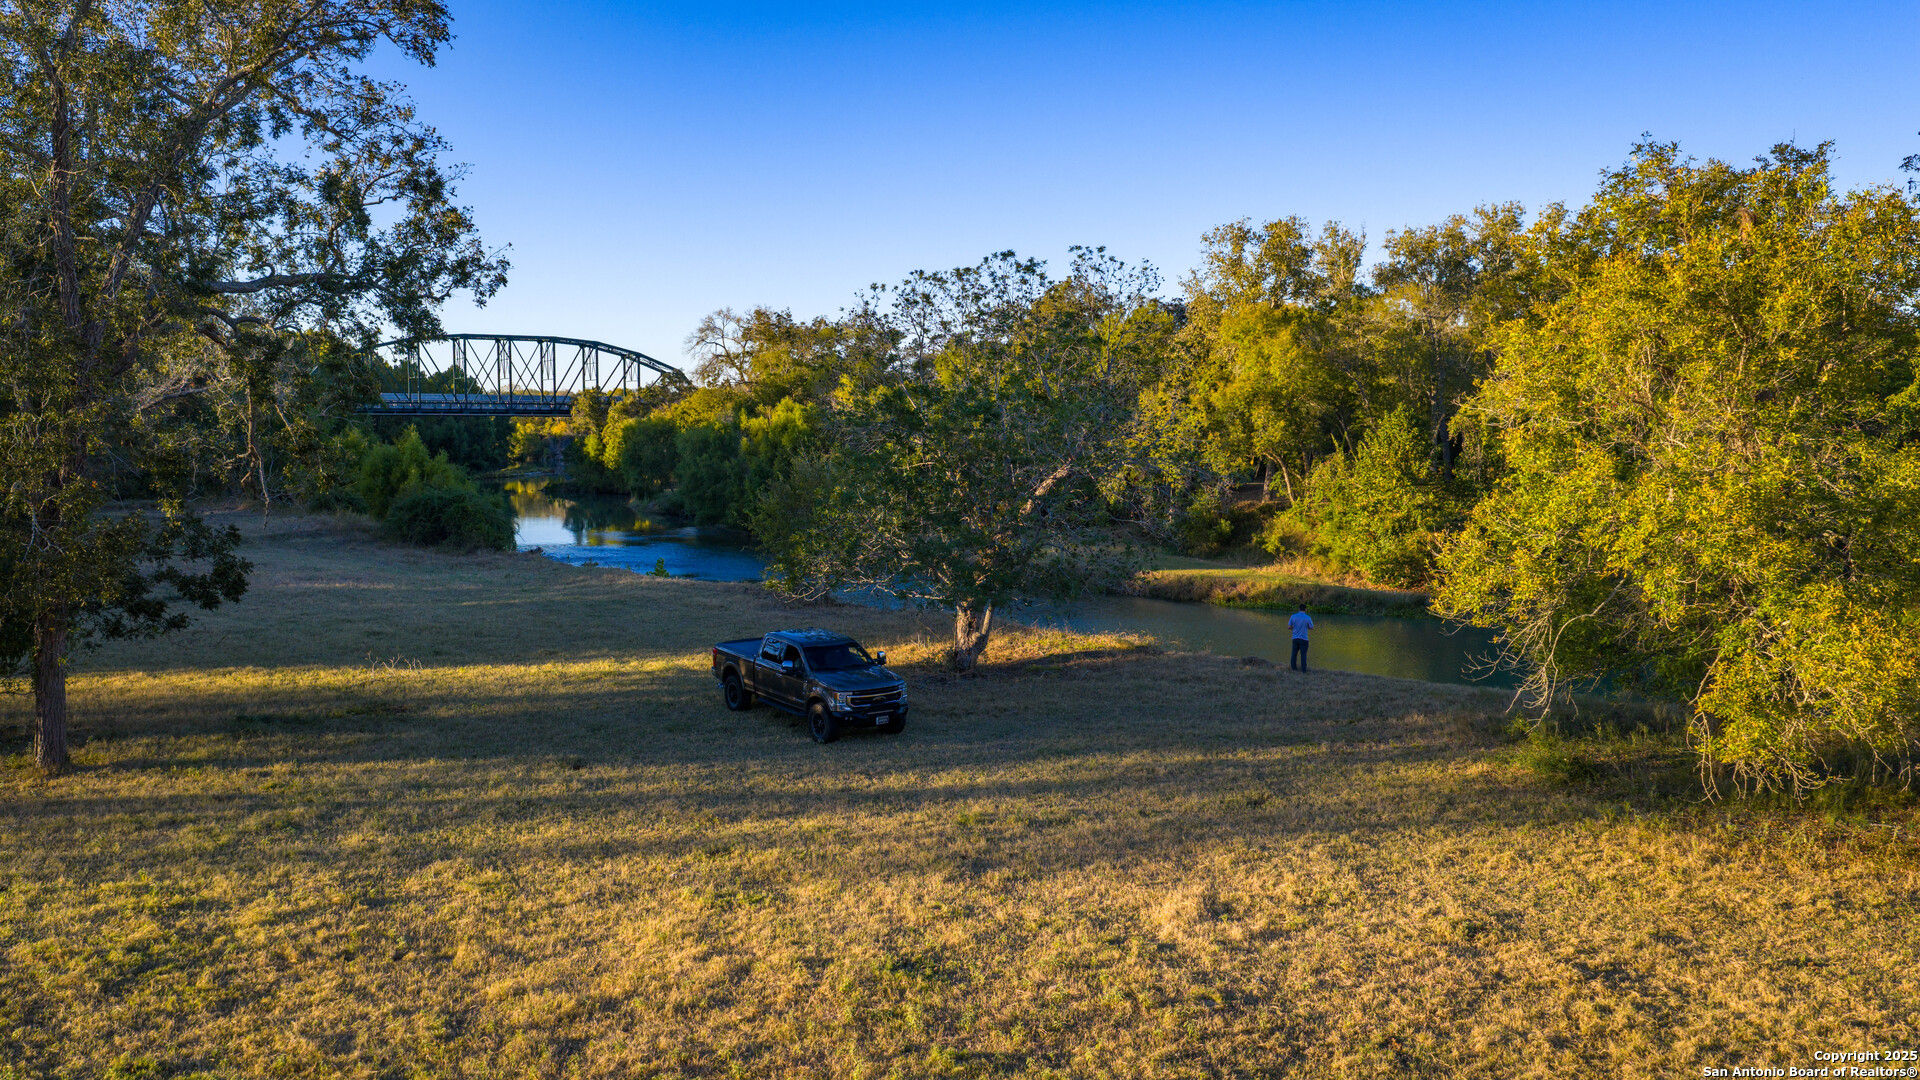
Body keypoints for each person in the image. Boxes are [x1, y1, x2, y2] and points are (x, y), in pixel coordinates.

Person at [1288, 603, 1314, 672]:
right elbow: (1312, 627)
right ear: (1305, 609)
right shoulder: (1307, 617)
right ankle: (1303, 670)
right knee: (1303, 655)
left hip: (1295, 638)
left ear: (1299, 609)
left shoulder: (1293, 616)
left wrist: (1294, 627)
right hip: (1304, 639)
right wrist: (1306, 626)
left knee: (1294, 654)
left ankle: (1294, 668)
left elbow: (1289, 627)